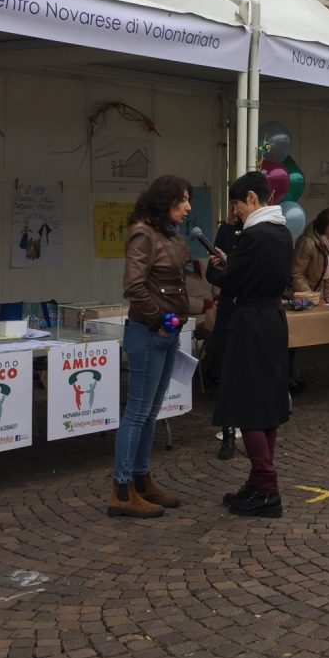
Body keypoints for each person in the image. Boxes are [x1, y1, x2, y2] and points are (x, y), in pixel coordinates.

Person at [108, 174, 193, 519]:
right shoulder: (143, 233)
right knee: (138, 412)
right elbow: (134, 286)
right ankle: (121, 489)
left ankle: (141, 480)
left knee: (151, 412)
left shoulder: (167, 235)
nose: (187, 207)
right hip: (148, 333)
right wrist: (159, 320)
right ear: (164, 202)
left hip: (166, 333)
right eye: (181, 200)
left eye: (187, 200)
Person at [212, 171, 293, 518]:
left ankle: (267, 486)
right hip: (273, 319)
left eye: (236, 204)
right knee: (267, 404)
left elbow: (232, 281)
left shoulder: (253, 235)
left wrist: (223, 267)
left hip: (251, 322)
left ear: (251, 198)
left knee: (246, 405)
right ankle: (259, 484)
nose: (235, 212)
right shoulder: (283, 232)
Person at [286, 208, 329, 395]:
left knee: (295, 342)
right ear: (324, 229)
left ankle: (290, 379)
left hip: (311, 294)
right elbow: (296, 273)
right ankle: (286, 381)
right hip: (295, 295)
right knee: (290, 338)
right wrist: (312, 296)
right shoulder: (307, 242)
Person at [204, 211, 243, 459]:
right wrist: (228, 277)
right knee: (228, 371)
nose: (236, 210)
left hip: (253, 310)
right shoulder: (226, 232)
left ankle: (254, 427)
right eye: (234, 204)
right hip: (230, 309)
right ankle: (228, 432)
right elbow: (211, 273)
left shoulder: (263, 234)